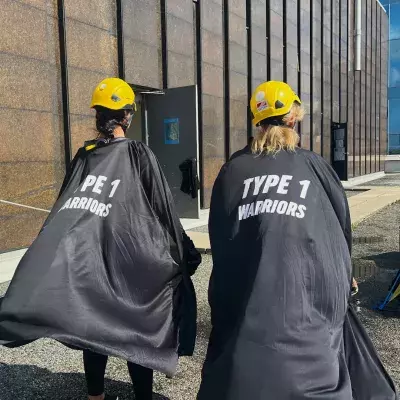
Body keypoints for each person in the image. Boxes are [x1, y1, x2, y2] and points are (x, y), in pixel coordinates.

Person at [0, 78, 201, 400]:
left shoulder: (85, 154)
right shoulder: (138, 153)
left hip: (89, 256)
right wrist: (184, 249)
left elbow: (65, 205)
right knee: (139, 327)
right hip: (131, 254)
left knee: (92, 322)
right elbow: (161, 205)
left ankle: (95, 395)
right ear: (127, 116)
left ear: (98, 116)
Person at [197, 81, 397, 400]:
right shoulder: (314, 168)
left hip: (248, 314)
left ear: (257, 121)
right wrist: (345, 278)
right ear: (294, 118)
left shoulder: (234, 170)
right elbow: (338, 231)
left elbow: (222, 237)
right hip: (306, 316)